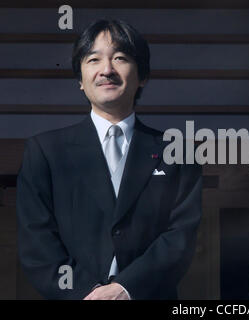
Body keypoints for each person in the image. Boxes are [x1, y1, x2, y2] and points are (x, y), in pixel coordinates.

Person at [16, 19, 202, 300]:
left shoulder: (178, 152)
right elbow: (37, 240)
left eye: (120, 58)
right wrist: (86, 292)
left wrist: (125, 289)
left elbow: (180, 237)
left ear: (143, 76)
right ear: (80, 79)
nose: (106, 70)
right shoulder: (45, 151)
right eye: (93, 59)